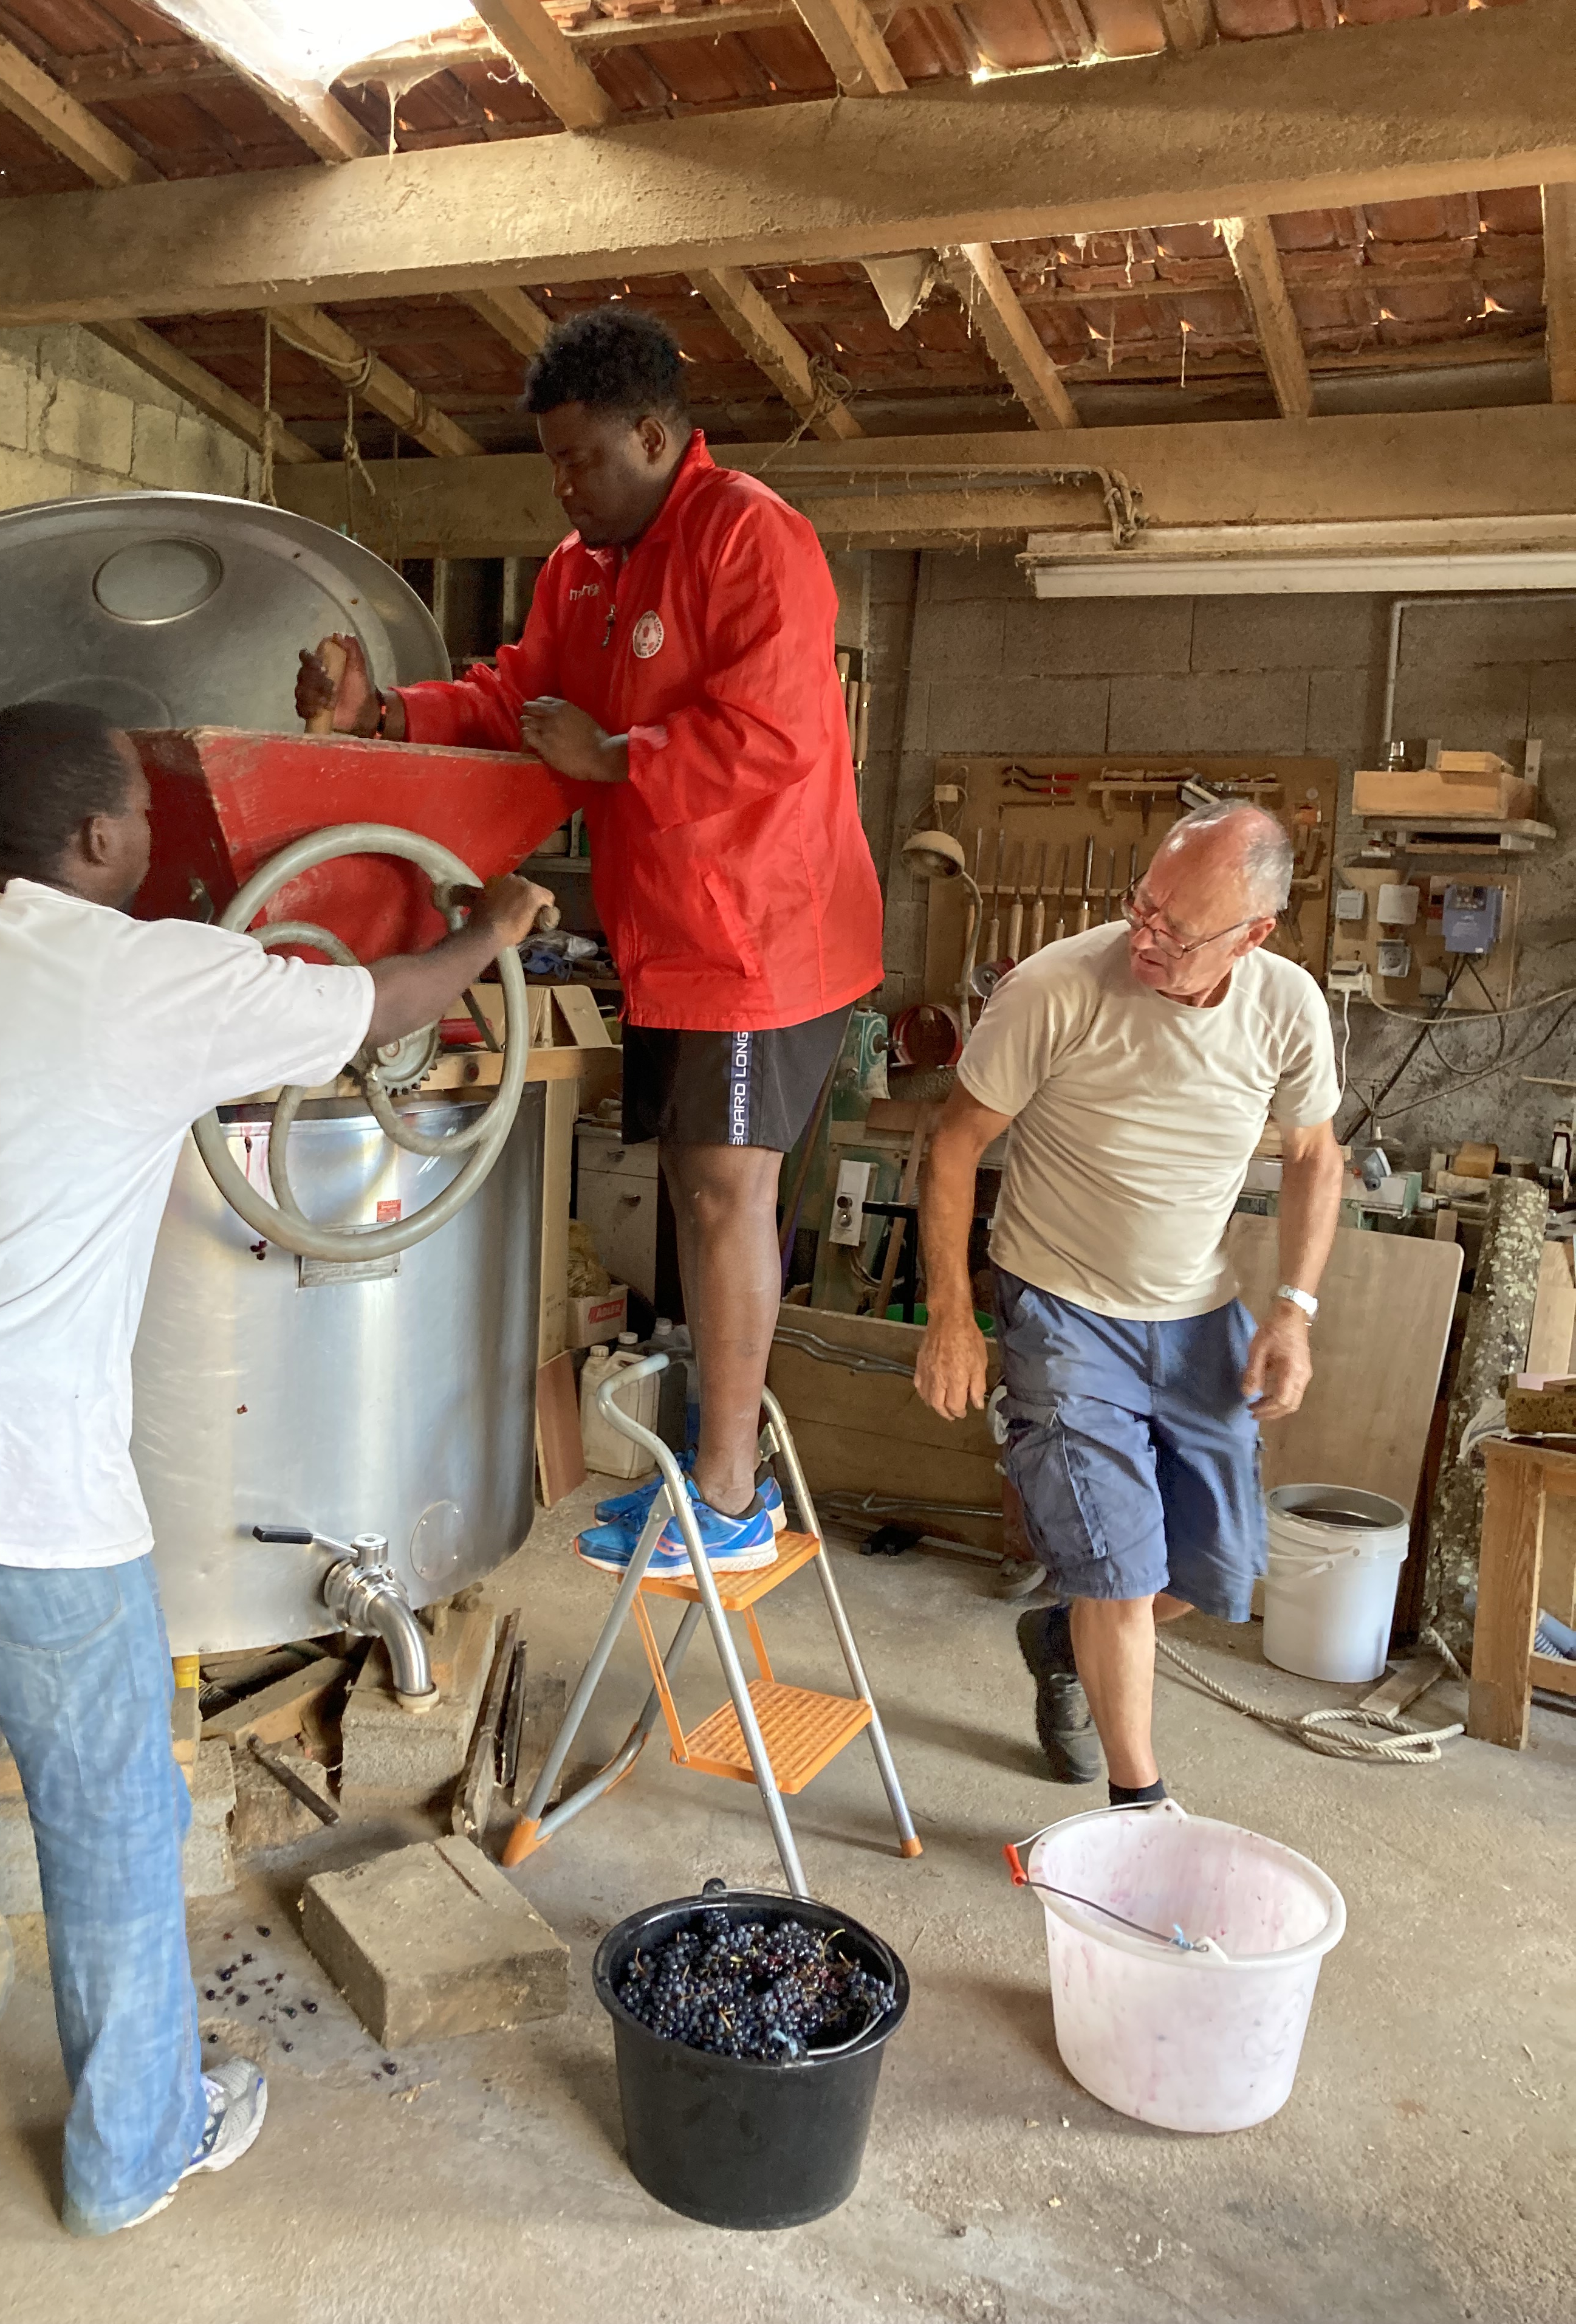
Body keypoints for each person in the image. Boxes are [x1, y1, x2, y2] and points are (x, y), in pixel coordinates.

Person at [0, 701, 550, 2237]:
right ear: (103, 837)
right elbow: (387, 1006)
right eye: (142, 816)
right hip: (21, 1483)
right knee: (111, 1813)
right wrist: (492, 927)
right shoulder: (162, 976)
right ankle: (130, 2154)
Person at [296, 304, 882, 1577]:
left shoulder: (751, 537)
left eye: (583, 460)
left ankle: (728, 1500)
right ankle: (713, 1473)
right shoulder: (582, 567)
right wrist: (388, 712)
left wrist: (616, 755)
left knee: (728, 1193)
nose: (564, 486)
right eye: (553, 463)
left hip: (766, 932)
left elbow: (778, 737)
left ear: (656, 437)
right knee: (694, 1195)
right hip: (671, 936)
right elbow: (514, 697)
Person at [913, 805, 1343, 1800]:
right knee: (1117, 1567)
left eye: (1176, 931)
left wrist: (1294, 1310)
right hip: (1060, 1310)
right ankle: (1138, 1805)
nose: (1144, 937)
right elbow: (955, 1141)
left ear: (1254, 934)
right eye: (1141, 906)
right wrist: (950, 1314)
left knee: (1208, 1574)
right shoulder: (1055, 987)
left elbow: (1316, 1156)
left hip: (1198, 1319)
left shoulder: (1288, 1007)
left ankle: (1061, 1642)